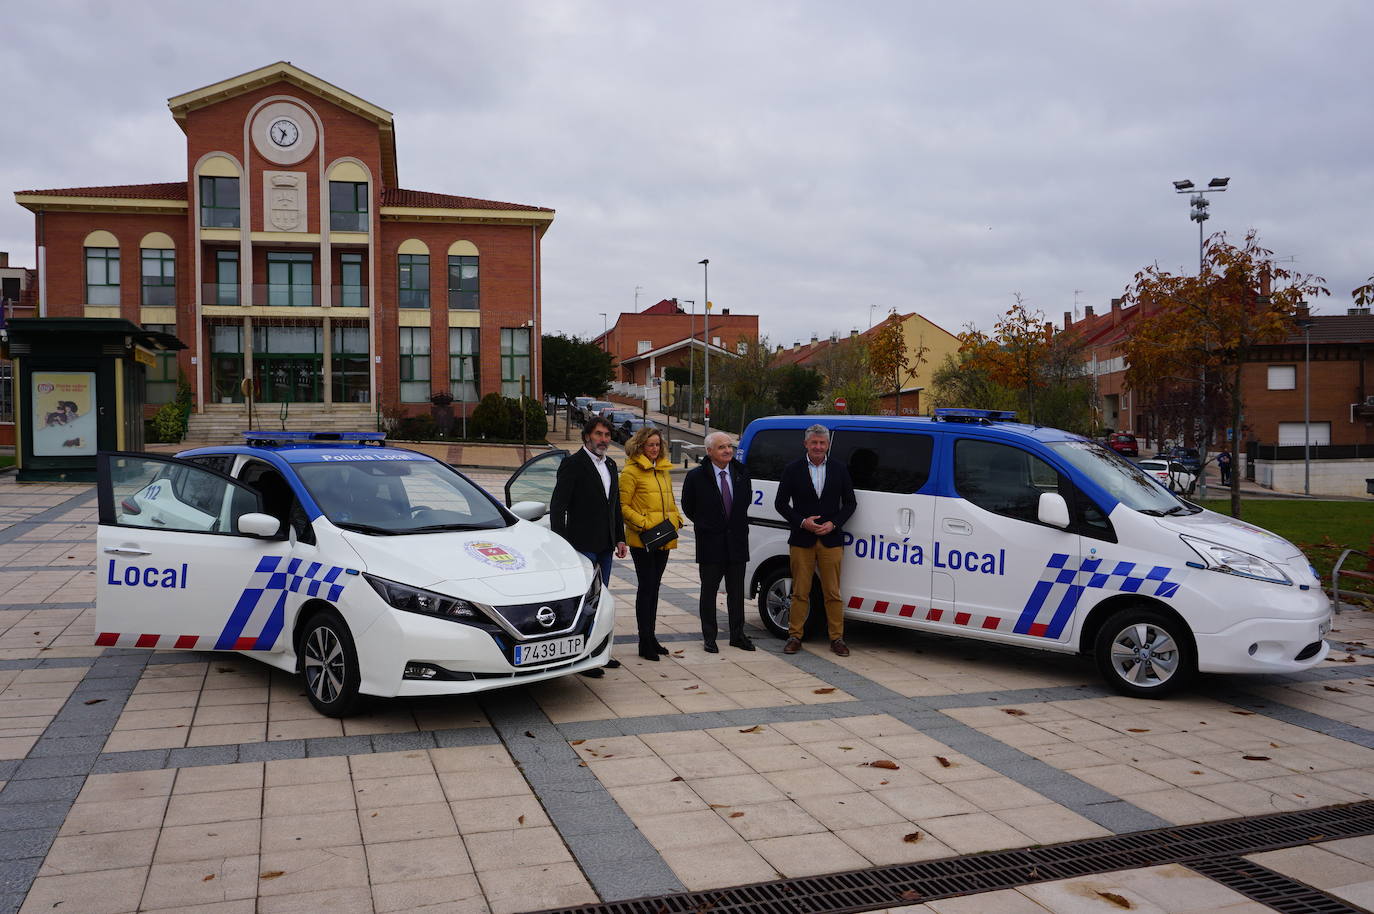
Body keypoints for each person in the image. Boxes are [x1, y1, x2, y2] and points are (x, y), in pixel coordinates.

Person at [550, 416, 628, 677]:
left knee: (601, 600)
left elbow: (614, 506)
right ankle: (582, 657)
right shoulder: (573, 464)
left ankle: (599, 652)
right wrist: (561, 544)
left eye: (607, 435)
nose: (603, 439)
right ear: (586, 436)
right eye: (598, 434)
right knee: (585, 603)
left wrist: (620, 537)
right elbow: (558, 507)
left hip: (606, 545)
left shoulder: (611, 464)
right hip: (581, 545)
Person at [774, 424, 857, 657]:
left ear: (828, 445)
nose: (818, 446)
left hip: (831, 539)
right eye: (814, 443)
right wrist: (802, 522)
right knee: (800, 591)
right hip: (802, 539)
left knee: (833, 592)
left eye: (822, 443)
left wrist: (834, 524)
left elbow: (850, 503)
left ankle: (837, 639)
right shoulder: (793, 469)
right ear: (806, 444)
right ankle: (794, 636)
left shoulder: (839, 469)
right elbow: (780, 503)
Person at [681, 431, 754, 653]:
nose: (727, 450)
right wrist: (708, 524)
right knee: (709, 591)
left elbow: (745, 502)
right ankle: (709, 636)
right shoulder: (696, 476)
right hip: (710, 542)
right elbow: (688, 506)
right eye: (722, 447)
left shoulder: (742, 473)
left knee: (736, 591)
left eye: (729, 446)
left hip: (737, 541)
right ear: (709, 451)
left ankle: (737, 635)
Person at [618, 426, 682, 661]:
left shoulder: (663, 470)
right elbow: (623, 507)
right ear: (640, 446)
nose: (654, 449)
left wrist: (677, 520)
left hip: (663, 538)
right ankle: (644, 641)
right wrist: (645, 525)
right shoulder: (631, 472)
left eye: (657, 444)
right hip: (643, 540)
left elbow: (671, 501)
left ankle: (652, 636)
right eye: (650, 445)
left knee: (655, 588)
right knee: (646, 588)